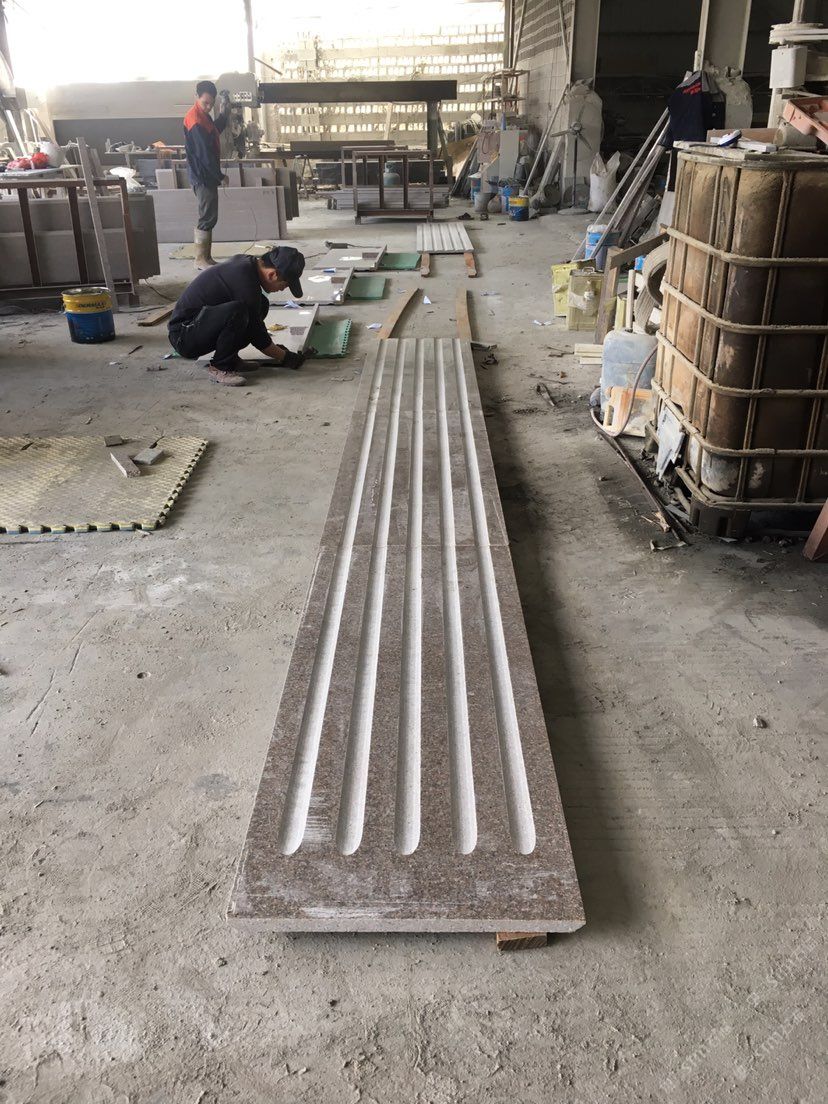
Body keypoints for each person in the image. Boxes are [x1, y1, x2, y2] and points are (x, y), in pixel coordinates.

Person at [167, 246, 310, 387]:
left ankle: (231, 359)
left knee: (261, 304)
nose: (282, 289)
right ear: (272, 275)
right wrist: (285, 357)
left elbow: (254, 324)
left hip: (199, 325)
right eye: (284, 285)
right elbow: (257, 334)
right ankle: (221, 366)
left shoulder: (248, 265)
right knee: (237, 311)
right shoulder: (245, 282)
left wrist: (278, 351)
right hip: (184, 337)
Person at [183, 80, 230, 269]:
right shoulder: (195, 119)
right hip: (202, 175)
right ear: (196, 97)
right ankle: (200, 259)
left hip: (206, 174)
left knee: (211, 216)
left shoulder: (204, 116)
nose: (209, 107)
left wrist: (224, 113)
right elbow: (204, 154)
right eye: (205, 103)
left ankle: (206, 257)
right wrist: (220, 176)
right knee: (207, 216)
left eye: (212, 103)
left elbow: (214, 131)